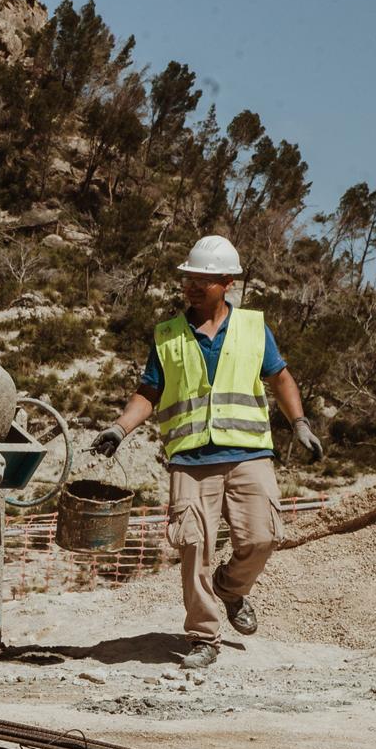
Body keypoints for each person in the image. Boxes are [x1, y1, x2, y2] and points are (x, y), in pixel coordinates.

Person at [92, 233, 322, 671]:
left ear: (228, 282)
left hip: (249, 453)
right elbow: (149, 392)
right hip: (191, 459)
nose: (193, 286)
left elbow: (282, 378)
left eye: (204, 279)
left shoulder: (254, 327)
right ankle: (203, 636)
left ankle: (231, 588)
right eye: (189, 278)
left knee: (262, 537)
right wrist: (119, 428)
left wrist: (300, 424)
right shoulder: (167, 335)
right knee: (193, 546)